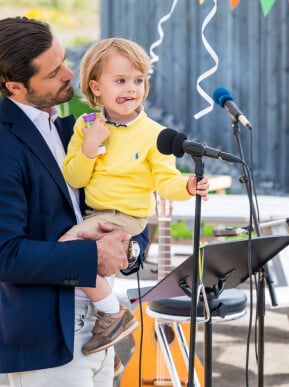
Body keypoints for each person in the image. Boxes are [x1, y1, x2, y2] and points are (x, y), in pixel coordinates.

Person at [0, 17, 149, 387]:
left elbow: (122, 205)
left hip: (103, 333)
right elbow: (5, 257)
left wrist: (128, 250)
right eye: (53, 72)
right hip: (49, 341)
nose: (69, 73)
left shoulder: (75, 129)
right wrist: (92, 257)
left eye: (65, 59)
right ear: (16, 86)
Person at [59, 37, 210, 356]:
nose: (132, 88)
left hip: (126, 217)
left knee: (65, 252)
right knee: (80, 265)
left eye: (138, 80)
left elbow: (165, 181)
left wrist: (186, 186)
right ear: (96, 87)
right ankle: (107, 354)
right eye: (120, 80)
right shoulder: (85, 126)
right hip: (95, 214)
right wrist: (90, 145)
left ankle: (112, 313)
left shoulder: (155, 134)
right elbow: (74, 177)